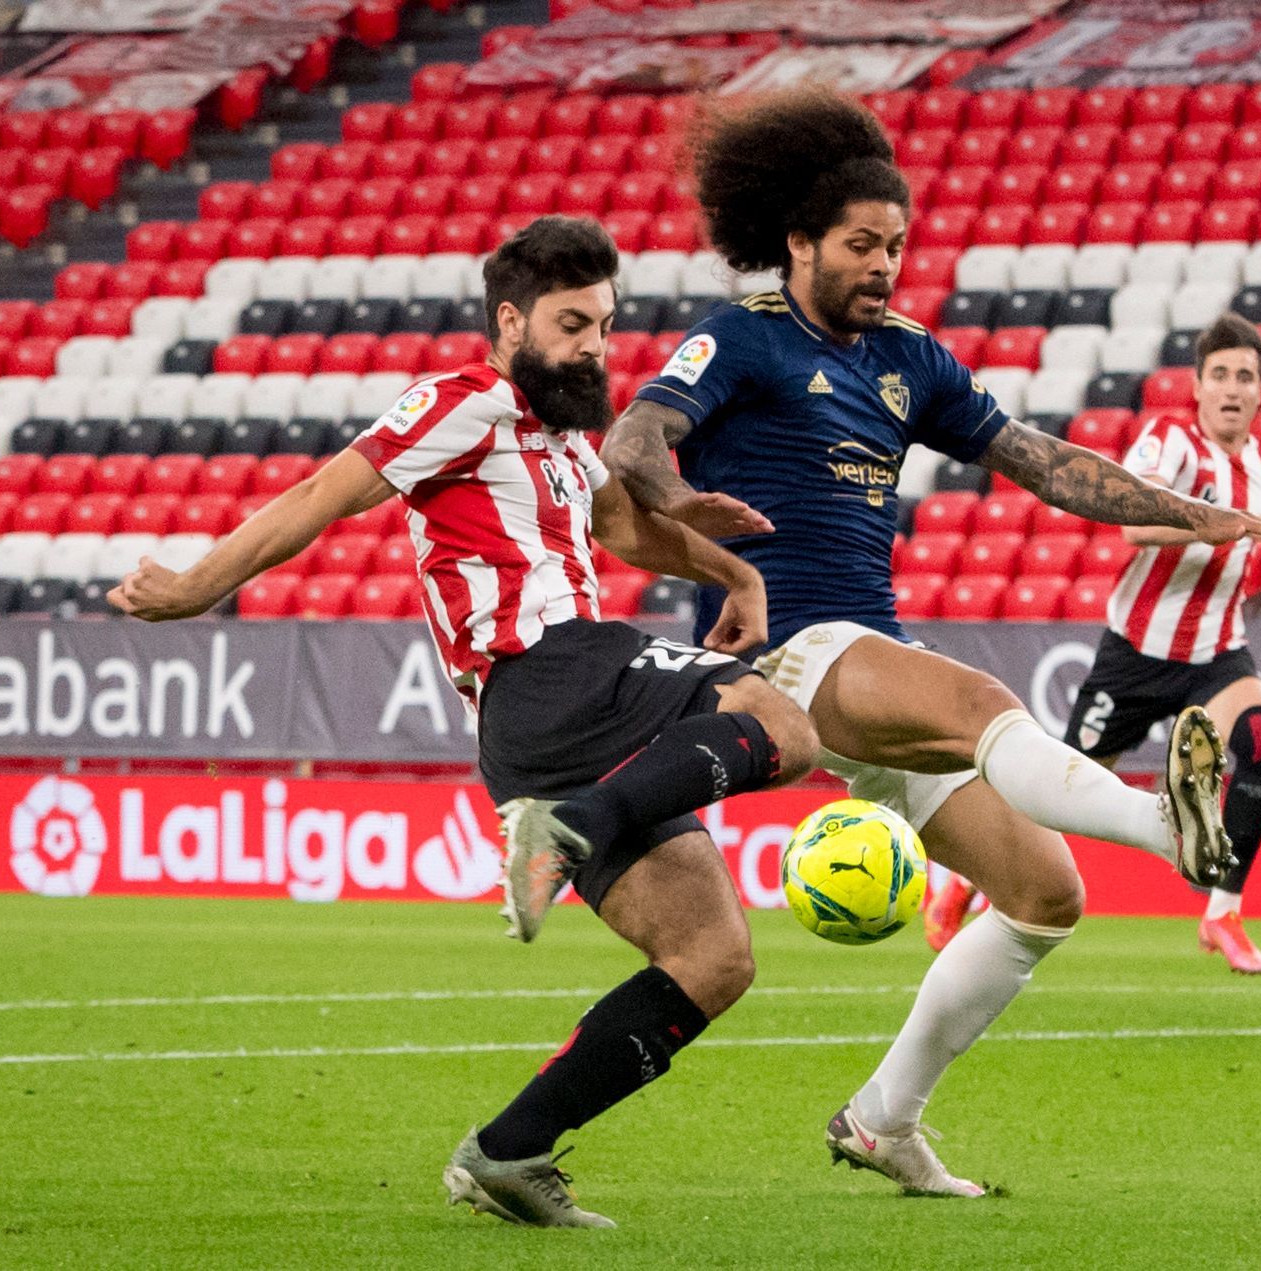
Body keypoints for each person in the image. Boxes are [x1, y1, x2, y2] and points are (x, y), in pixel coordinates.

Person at [601, 87, 1261, 1196]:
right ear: (797, 242)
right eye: (861, 245)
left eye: (897, 245)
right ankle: (1175, 833)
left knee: (1044, 891)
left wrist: (1206, 516)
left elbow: (1041, 460)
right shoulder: (740, 338)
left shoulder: (907, 359)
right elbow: (634, 436)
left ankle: (885, 1117)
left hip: (864, 654)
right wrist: (680, 502)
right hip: (781, 650)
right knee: (983, 704)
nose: (884, 264)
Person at [109, 216, 822, 1227]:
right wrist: (193, 586)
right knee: (782, 723)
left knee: (712, 957)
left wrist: (731, 568)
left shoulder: (567, 435)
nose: (594, 346)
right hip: (551, 666)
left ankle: (509, 1150)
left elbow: (622, 525)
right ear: (509, 320)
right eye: (572, 324)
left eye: (606, 326)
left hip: (541, 730)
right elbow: (323, 494)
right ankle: (575, 822)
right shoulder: (461, 404)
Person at [923, 313, 1261, 974]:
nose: (1232, 387)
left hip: (1217, 652)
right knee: (1060, 791)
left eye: (1245, 376)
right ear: (1196, 384)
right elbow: (1132, 528)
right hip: (1135, 652)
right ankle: (966, 876)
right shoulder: (1171, 442)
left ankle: (1223, 912)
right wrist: (1215, 526)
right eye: (1219, 374)